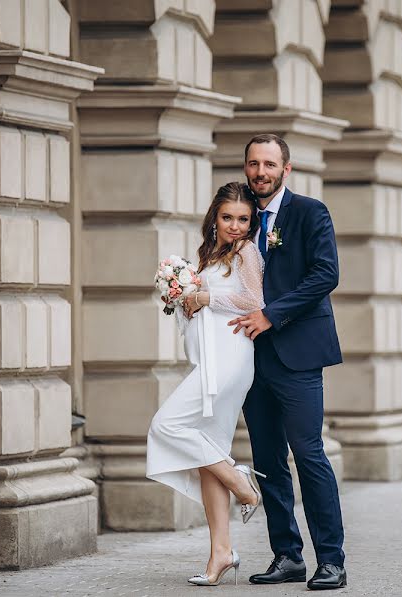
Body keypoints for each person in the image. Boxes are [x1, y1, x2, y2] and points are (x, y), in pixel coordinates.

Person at [229, 134, 347, 590]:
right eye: (254, 163)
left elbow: (326, 274)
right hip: (250, 359)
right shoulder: (239, 216)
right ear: (246, 167)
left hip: (296, 356)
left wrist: (271, 314)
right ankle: (287, 555)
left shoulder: (309, 213)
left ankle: (332, 560)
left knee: (308, 453)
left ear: (286, 169)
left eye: (270, 164)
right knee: (267, 460)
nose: (261, 172)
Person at [146, 182, 267, 586]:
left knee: (167, 425)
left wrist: (206, 296)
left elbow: (255, 301)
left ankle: (240, 482)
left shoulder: (246, 251)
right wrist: (180, 296)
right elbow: (197, 312)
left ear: (251, 223)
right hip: (208, 361)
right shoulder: (208, 254)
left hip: (231, 360)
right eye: (228, 217)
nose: (235, 226)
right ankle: (222, 553)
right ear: (214, 218)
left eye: (243, 219)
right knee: (207, 457)